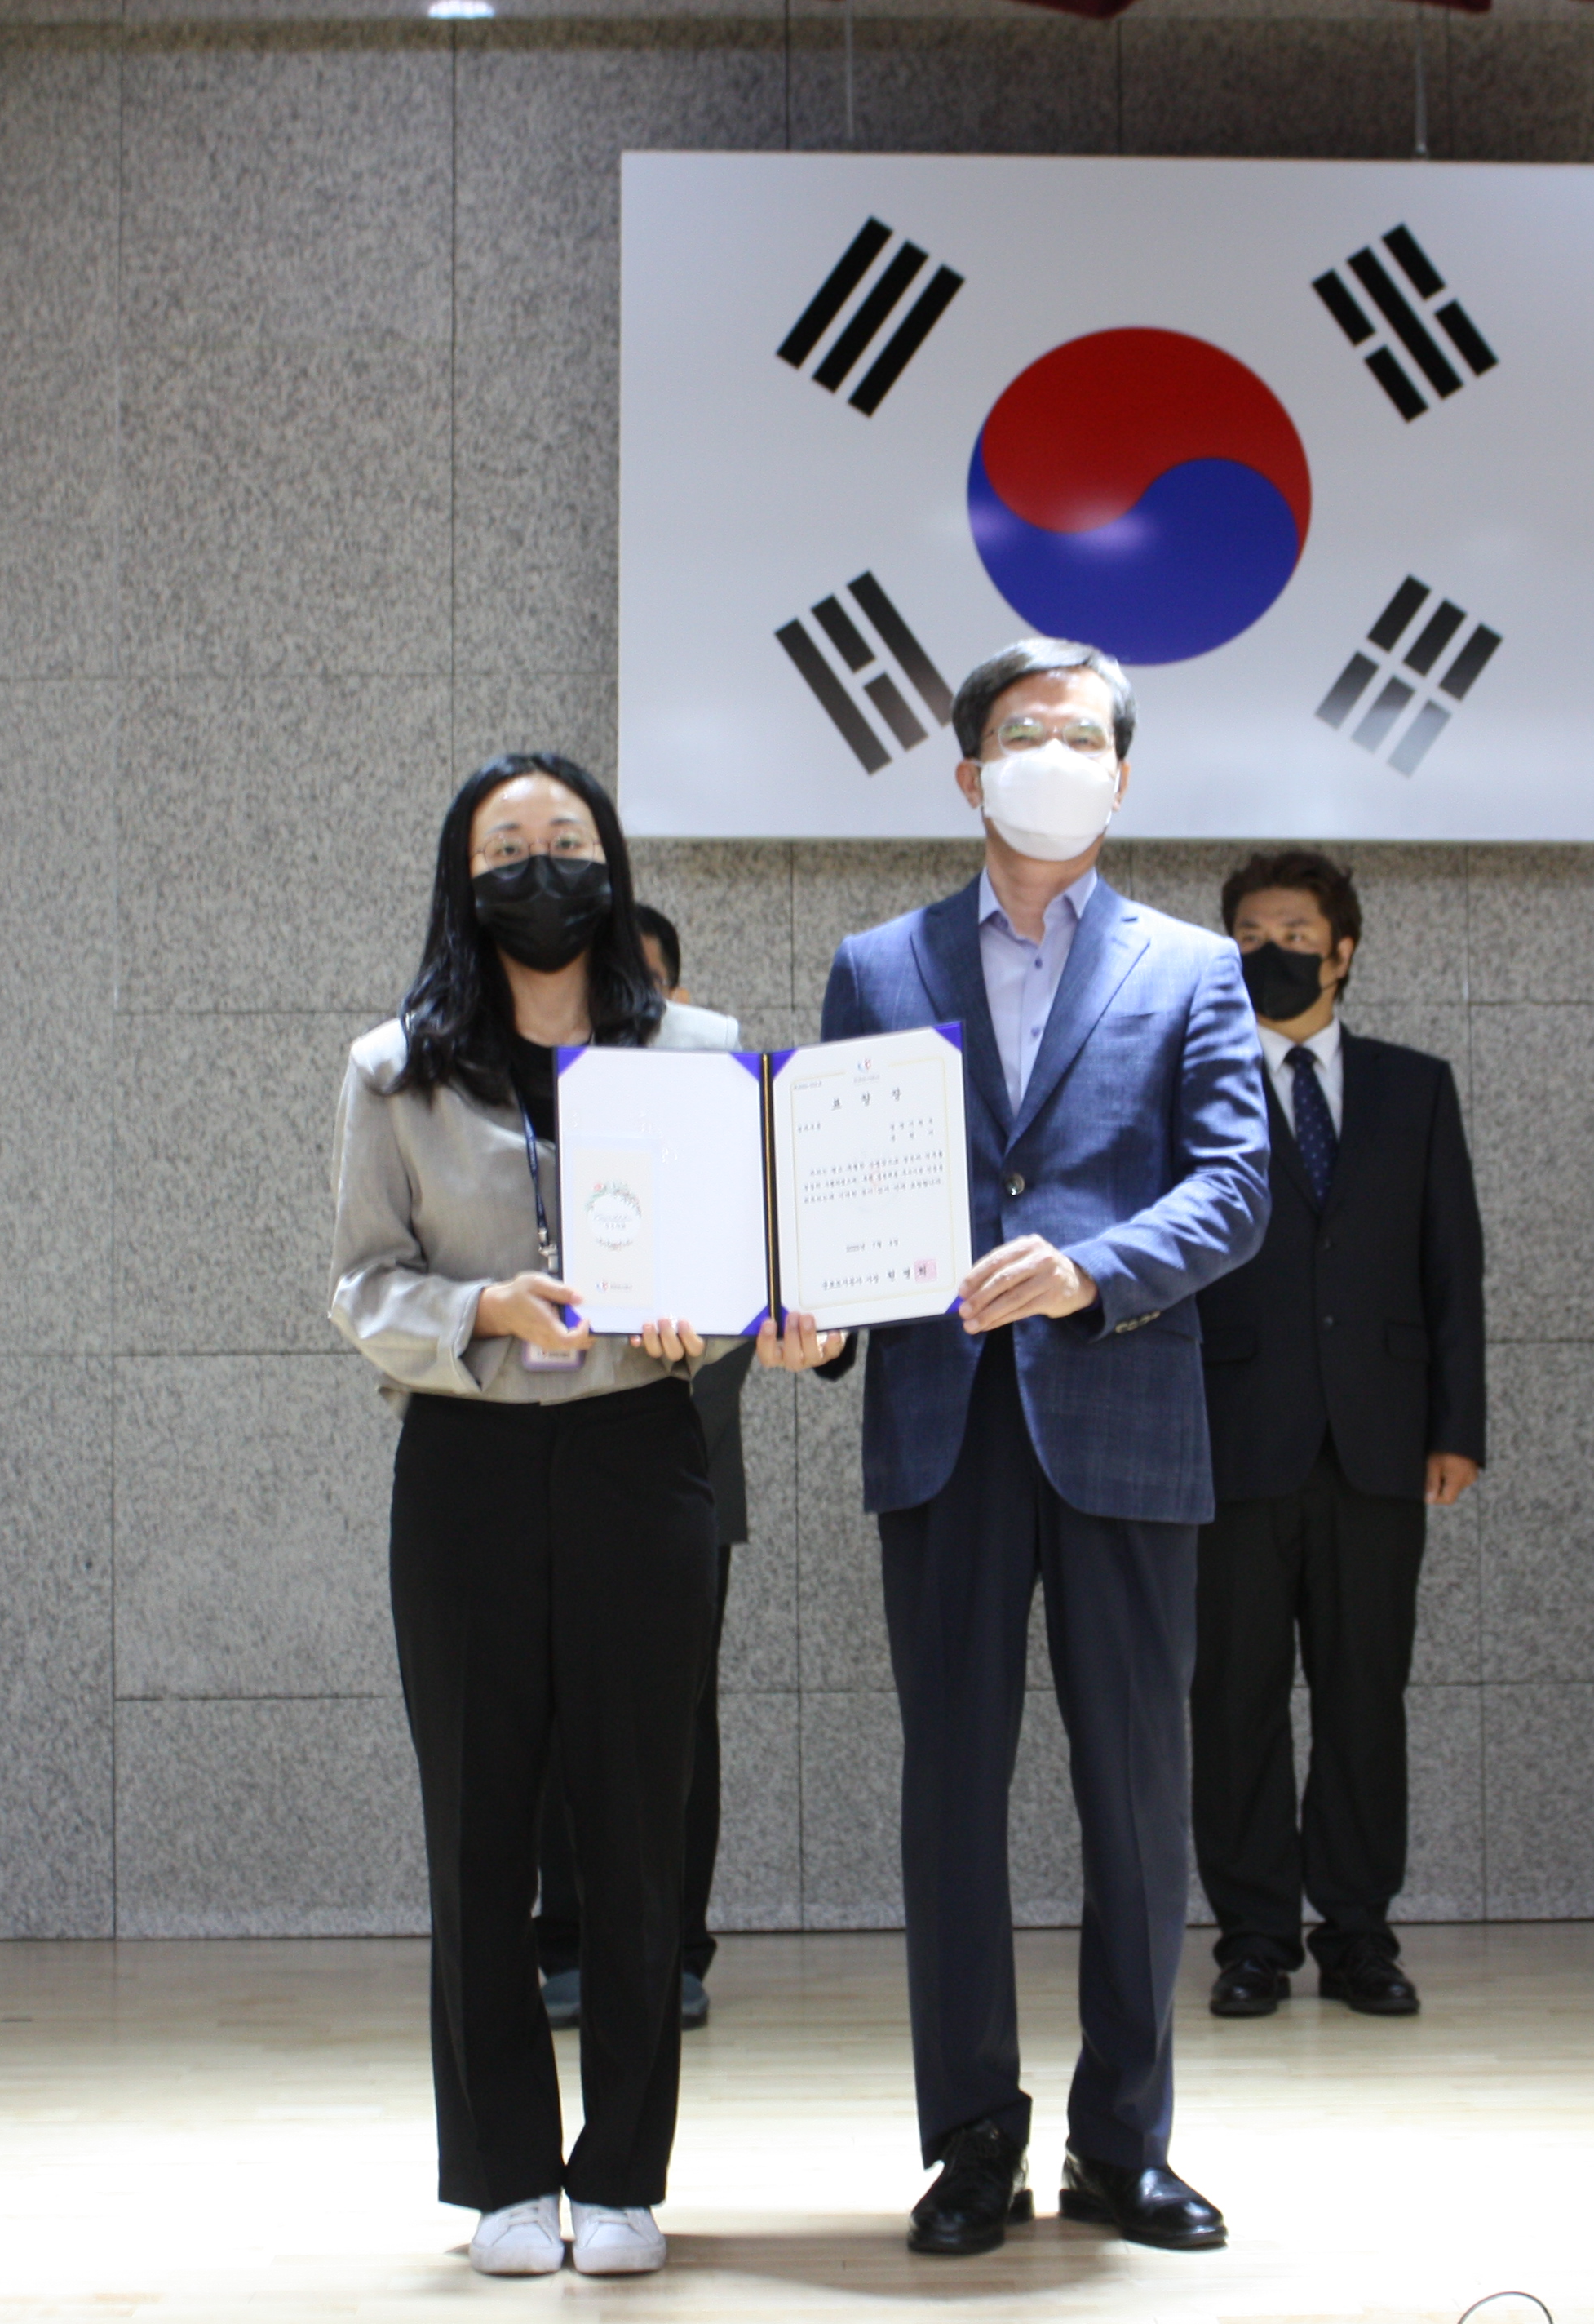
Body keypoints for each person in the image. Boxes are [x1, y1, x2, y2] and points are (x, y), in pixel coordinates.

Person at [761, 637, 1268, 2256]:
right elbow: (835, 1195)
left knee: (1139, 1796)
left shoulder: (1193, 968)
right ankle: (972, 2138)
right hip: (943, 1422)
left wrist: (1092, 1267)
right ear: (969, 769)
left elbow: (1236, 1186)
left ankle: (1125, 2141)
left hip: (1123, 1415)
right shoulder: (875, 965)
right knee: (950, 1797)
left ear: (1122, 774)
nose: (1053, 752)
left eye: (1082, 734)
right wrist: (816, 1315)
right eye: (1022, 731)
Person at [329, 754, 742, 2279]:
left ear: (610, 866)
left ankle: (622, 2173)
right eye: (507, 846)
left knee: (638, 1833)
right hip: (469, 1463)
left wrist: (713, 1312)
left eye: (566, 839)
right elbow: (362, 1283)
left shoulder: (699, 1051)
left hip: (643, 1455)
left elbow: (742, 1259)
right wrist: (481, 1310)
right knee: (478, 1829)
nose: (540, 865)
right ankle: (504, 2172)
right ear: (465, 879)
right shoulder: (395, 1068)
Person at [1190, 849, 1486, 2021]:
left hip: (1381, 1440)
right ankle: (1255, 1937)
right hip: (1231, 1438)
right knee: (1235, 1698)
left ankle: (1359, 1930)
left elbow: (1452, 1267)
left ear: (1344, 950)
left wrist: (1457, 1425)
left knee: (1367, 1695)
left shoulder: (1417, 1088)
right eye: (1250, 936)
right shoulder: (1192, 1083)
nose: (1273, 952)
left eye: (1296, 934)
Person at [534, 902, 753, 2035]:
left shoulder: (716, 1109)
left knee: (677, 1728)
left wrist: (694, 1343)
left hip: (684, 1464)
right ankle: (568, 1944)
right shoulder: (541, 1119)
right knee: (551, 1719)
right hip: (546, 1460)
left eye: (650, 983)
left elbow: (752, 1284)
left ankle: (678, 1951)